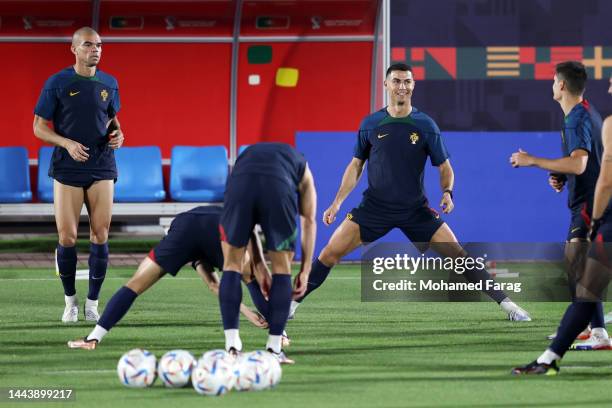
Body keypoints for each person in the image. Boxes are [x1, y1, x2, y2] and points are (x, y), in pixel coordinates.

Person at [289, 63, 530, 321]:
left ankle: (509, 306)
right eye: (396, 81)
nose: (401, 86)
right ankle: (290, 306)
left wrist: (448, 192)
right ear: (386, 84)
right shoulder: (371, 124)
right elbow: (356, 166)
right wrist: (337, 203)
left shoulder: (425, 125)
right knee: (328, 253)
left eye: (406, 81)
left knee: (459, 255)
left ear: (413, 86)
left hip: (415, 210)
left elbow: (445, 166)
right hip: (374, 208)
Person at [67, 206, 280, 350]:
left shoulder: (192, 244)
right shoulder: (234, 222)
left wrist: (247, 312)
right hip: (218, 225)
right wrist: (249, 313)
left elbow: (214, 285)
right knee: (249, 275)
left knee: (134, 284)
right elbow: (217, 286)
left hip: (184, 228)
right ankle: (277, 334)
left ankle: (93, 337)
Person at [512, 75, 612, 375]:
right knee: (581, 274)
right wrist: (563, 174)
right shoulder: (589, 115)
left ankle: (557, 355)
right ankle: (559, 353)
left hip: (599, 212)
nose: (609, 85)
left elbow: (598, 175)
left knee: (585, 282)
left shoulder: (599, 120)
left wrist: (595, 220)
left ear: (562, 85)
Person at [33, 27, 124, 323]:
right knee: (68, 236)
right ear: (73, 49)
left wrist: (118, 134)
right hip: (67, 166)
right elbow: (38, 127)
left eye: (99, 45)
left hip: (102, 165)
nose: (95, 49)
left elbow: (111, 120)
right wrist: (67, 143)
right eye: (88, 44)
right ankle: (70, 301)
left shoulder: (110, 83)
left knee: (100, 234)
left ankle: (92, 303)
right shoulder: (57, 83)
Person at [218, 143, 317, 364]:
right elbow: (308, 220)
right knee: (282, 269)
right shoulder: (302, 165)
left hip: (240, 183)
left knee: (232, 265)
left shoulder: (246, 157)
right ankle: (274, 350)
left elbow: (249, 226)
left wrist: (259, 265)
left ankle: (232, 347)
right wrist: (305, 270)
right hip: (278, 187)